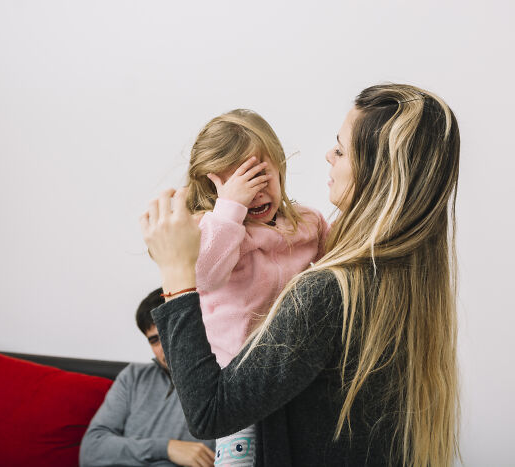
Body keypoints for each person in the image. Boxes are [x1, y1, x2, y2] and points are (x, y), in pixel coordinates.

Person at [141, 84, 461, 467]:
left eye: (340, 150)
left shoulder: (326, 289)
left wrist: (175, 272)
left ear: (375, 173)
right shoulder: (397, 275)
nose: (328, 154)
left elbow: (209, 412)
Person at [183, 109, 327, 464]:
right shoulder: (212, 230)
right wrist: (229, 209)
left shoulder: (308, 223)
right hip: (237, 379)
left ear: (280, 168)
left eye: (262, 176)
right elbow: (205, 276)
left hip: (293, 369)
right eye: (239, 183)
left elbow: (331, 278)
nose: (255, 192)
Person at [79, 289, 215, 467]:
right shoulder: (133, 377)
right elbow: (91, 451)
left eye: (171, 333)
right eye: (155, 340)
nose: (164, 348)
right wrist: (167, 448)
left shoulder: (219, 383)